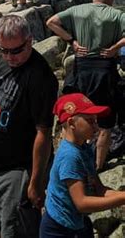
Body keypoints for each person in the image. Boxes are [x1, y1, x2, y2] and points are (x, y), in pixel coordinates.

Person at [0, 15, 58, 238]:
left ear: (29, 41)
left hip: (19, 169)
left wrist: (35, 182)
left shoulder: (41, 77)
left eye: (16, 51)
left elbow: (43, 133)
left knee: (16, 231)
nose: (10, 57)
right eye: (3, 50)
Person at [46, 0, 125, 170]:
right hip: (105, 70)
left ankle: (72, 162)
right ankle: (97, 166)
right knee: (106, 123)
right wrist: (115, 47)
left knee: (76, 115)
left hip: (81, 69)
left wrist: (72, 41)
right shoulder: (116, 15)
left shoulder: (77, 10)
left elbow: (51, 22)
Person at [40, 93, 125, 238]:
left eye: (95, 121)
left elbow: (100, 190)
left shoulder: (84, 149)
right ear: (72, 123)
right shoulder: (70, 156)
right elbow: (82, 202)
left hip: (77, 223)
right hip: (59, 229)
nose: (96, 127)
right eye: (90, 121)